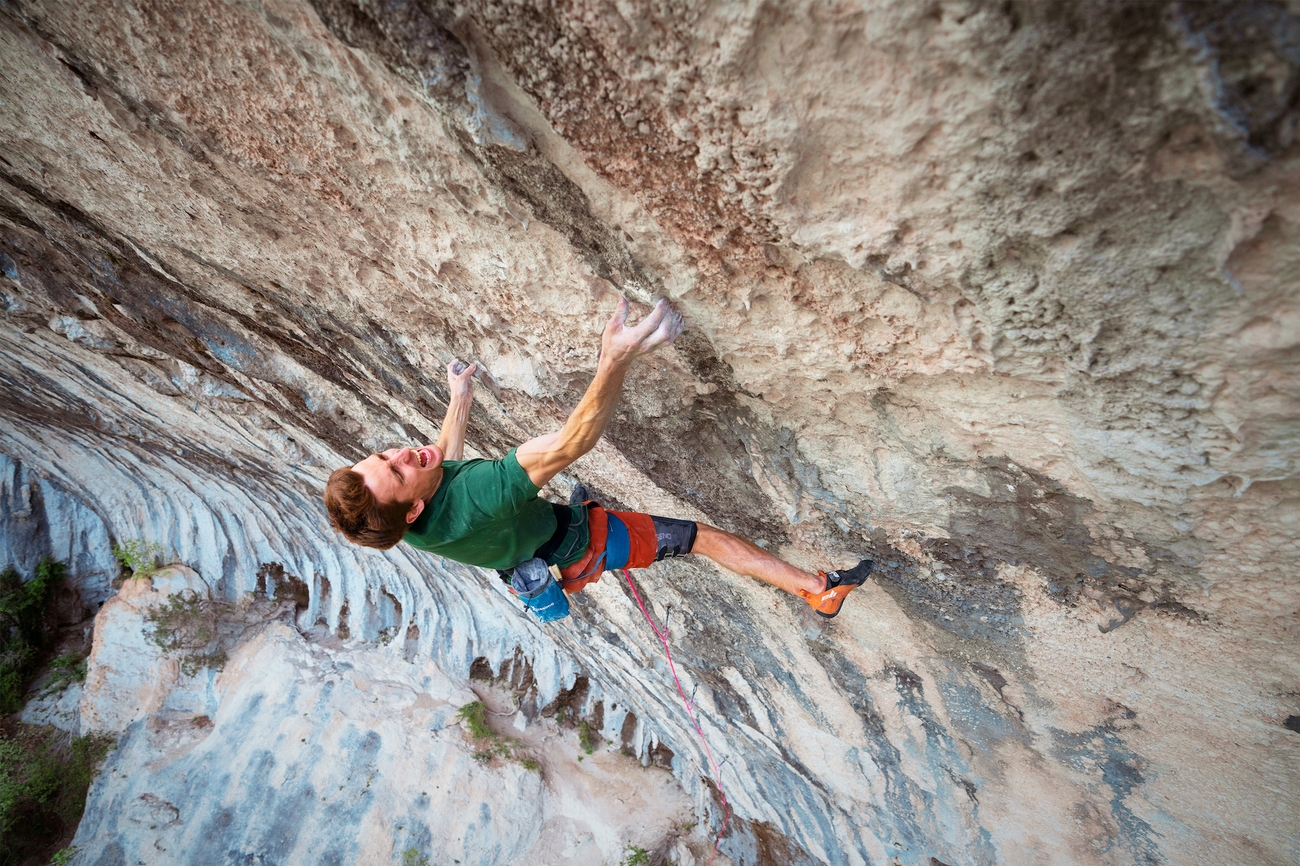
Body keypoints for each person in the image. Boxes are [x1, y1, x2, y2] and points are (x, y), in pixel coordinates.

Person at [324, 298, 872, 618]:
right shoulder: (477, 494)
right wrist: (614, 358)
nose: (401, 453)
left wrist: (459, 399)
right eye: (395, 469)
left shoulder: (394, 522)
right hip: (581, 546)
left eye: (381, 455)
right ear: (413, 510)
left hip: (535, 548)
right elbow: (572, 442)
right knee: (700, 537)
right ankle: (818, 590)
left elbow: (436, 459)